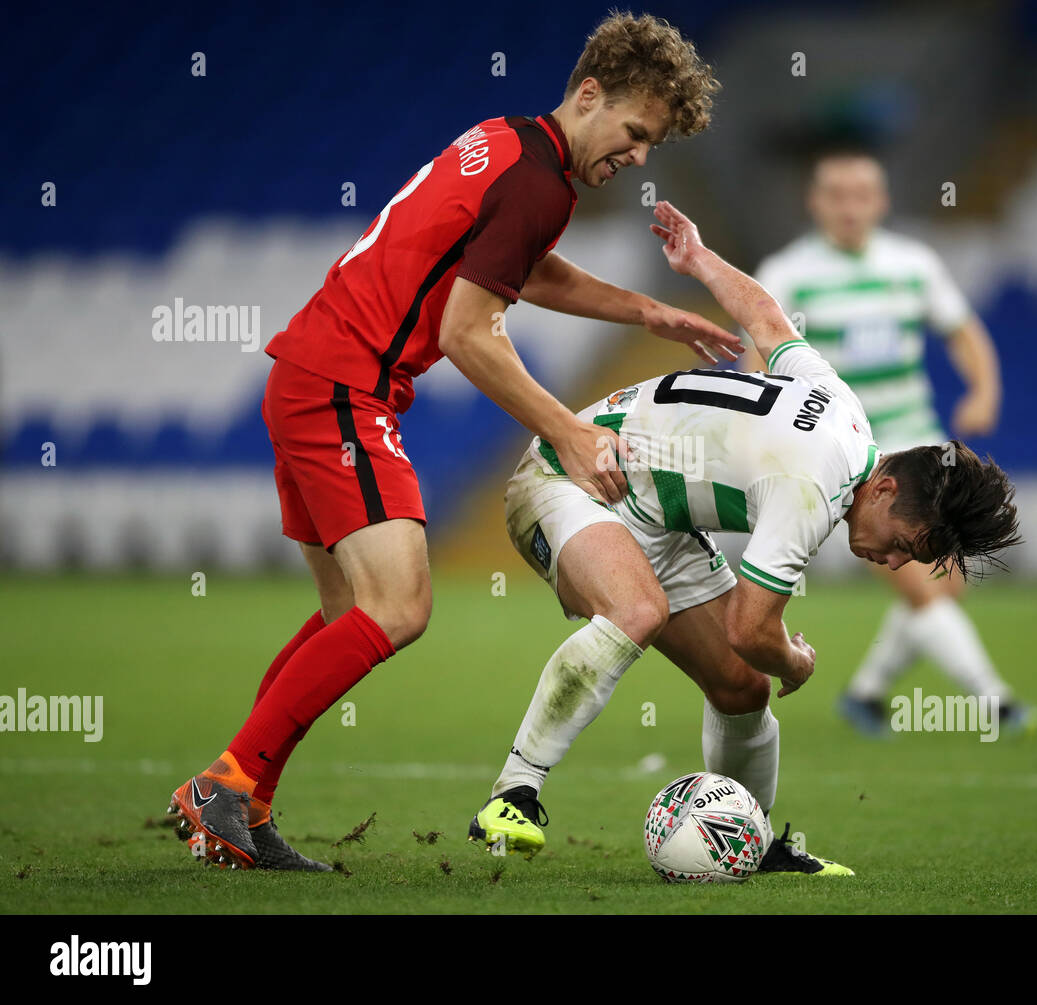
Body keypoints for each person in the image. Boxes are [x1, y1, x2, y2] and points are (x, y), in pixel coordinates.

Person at [166, 14, 741, 871]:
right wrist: (571, 432)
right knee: (397, 608)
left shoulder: (509, 143)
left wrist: (645, 309)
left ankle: (240, 801)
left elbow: (523, 266)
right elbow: (471, 332)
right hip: (345, 389)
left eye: (651, 143)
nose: (640, 157)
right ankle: (226, 784)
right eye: (635, 132)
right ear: (590, 95)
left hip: (308, 373)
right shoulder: (540, 185)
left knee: (346, 616)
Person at [467, 200, 1021, 875]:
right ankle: (513, 792)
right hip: (569, 477)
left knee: (741, 690)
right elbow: (751, 627)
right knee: (645, 613)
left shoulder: (848, 418)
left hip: (653, 512)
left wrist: (700, 259)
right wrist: (796, 661)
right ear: (884, 490)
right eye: (911, 540)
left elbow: (765, 320)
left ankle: (750, 844)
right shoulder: (813, 487)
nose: (897, 558)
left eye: (914, 557)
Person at [752, 150, 1037, 738]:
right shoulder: (789, 274)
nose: (849, 207)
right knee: (925, 583)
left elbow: (963, 331)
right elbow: (756, 351)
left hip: (924, 452)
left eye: (861, 195)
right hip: (851, 456)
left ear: (881, 202)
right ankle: (995, 702)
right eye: (836, 194)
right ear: (816, 202)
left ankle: (864, 694)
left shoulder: (913, 264)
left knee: (940, 584)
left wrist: (983, 390)